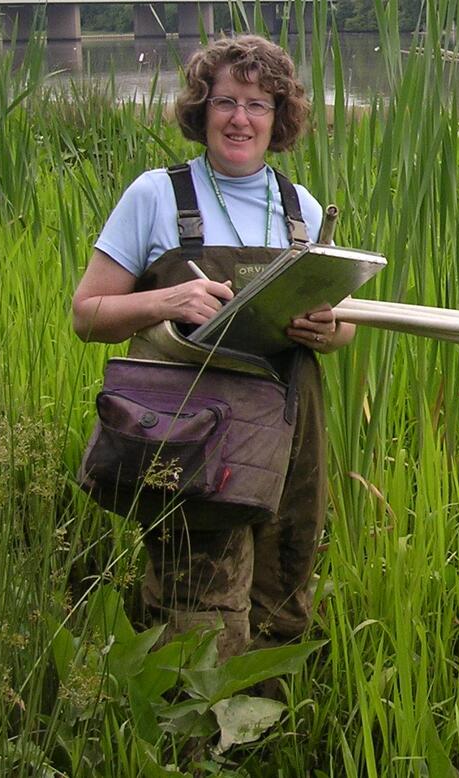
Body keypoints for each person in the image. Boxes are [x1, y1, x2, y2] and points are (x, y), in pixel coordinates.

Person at [72, 34, 354, 659]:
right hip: (192, 428)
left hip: (288, 424)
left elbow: (343, 322)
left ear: (280, 117)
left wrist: (329, 330)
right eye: (225, 100)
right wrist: (165, 302)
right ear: (201, 110)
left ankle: (262, 738)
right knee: (196, 604)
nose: (240, 118)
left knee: (284, 587)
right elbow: (88, 315)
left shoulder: (299, 207)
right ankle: (190, 747)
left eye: (259, 104)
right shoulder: (155, 195)